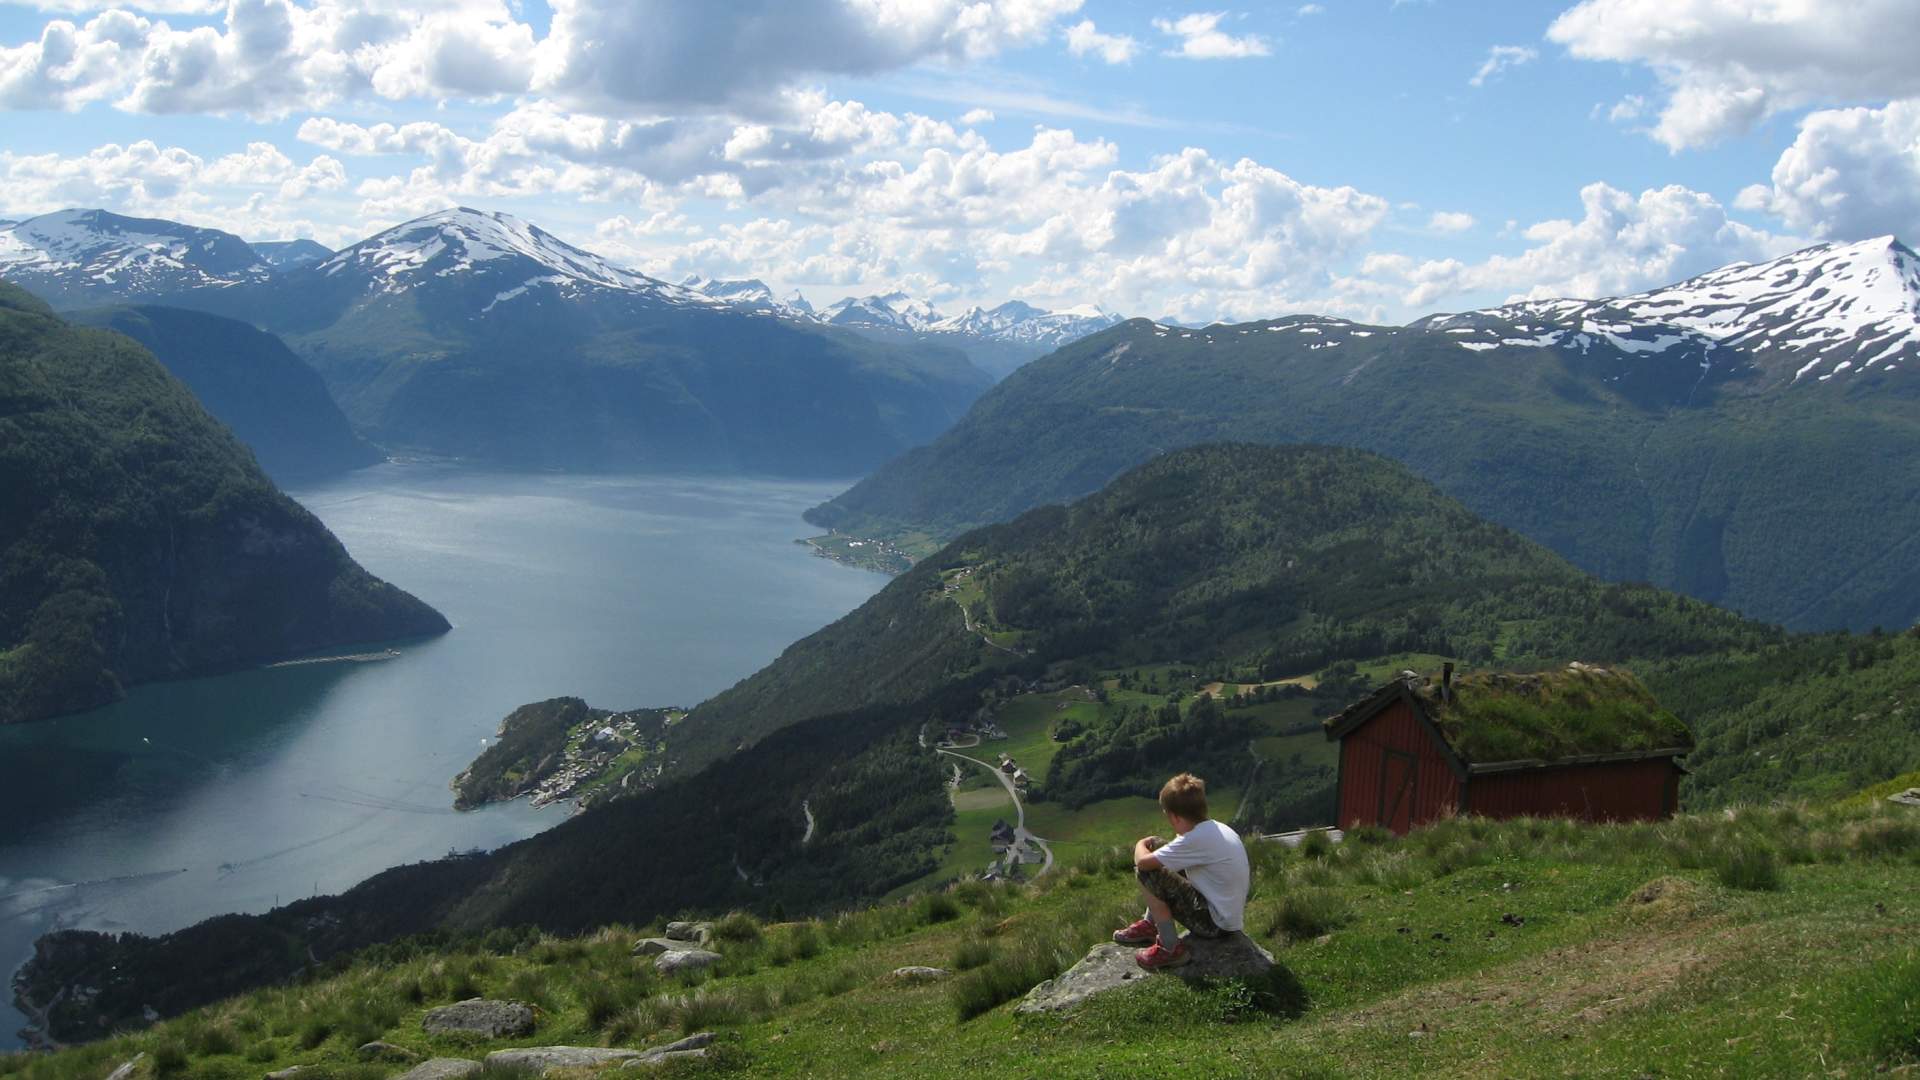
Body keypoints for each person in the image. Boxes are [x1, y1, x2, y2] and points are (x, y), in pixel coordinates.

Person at [1112, 772, 1250, 969]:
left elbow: (1143, 863)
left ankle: (1169, 948)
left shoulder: (1195, 840)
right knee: (1159, 846)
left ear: (1175, 817)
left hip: (1214, 925)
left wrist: (1139, 844)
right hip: (1226, 916)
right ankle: (1150, 924)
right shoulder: (1216, 829)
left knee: (1147, 873)